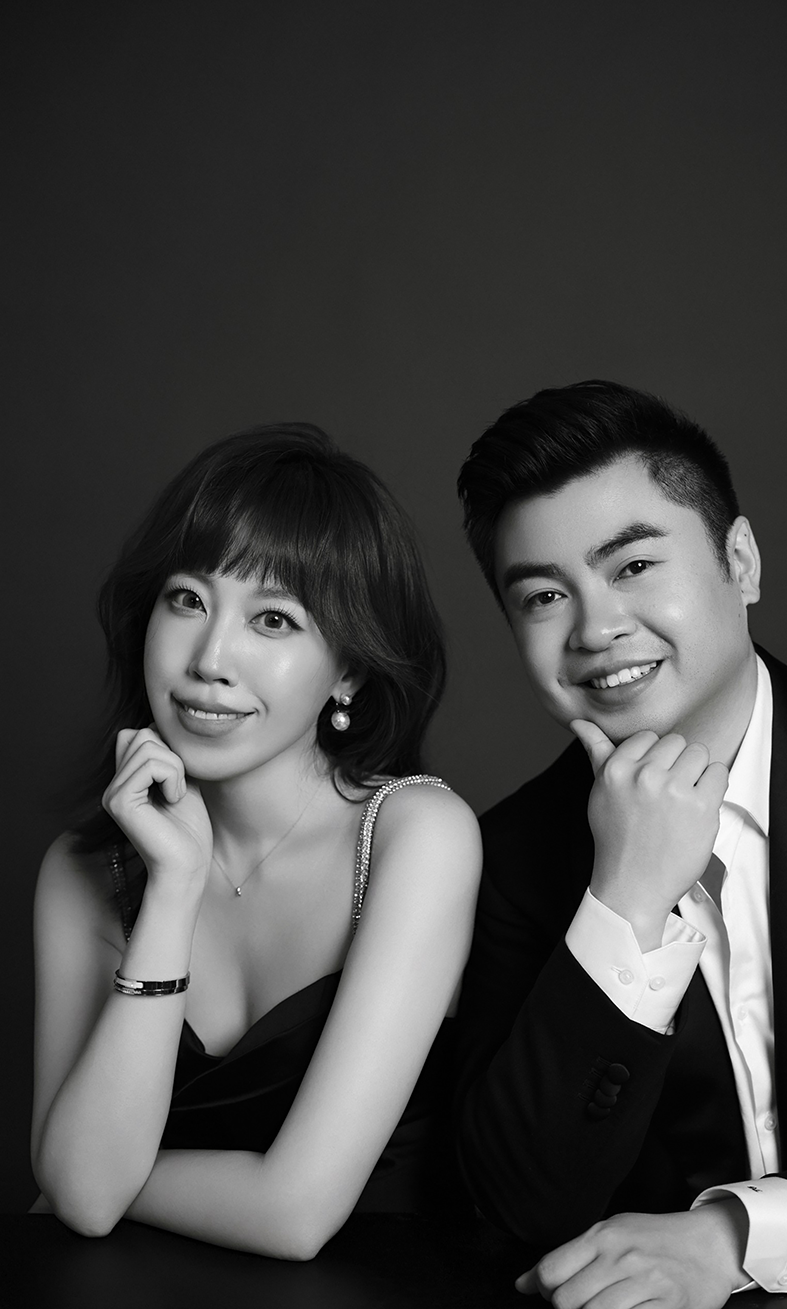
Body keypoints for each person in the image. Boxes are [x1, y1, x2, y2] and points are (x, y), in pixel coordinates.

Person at [454, 380, 787, 1307]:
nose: (596, 629)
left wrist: (732, 1239)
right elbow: (515, 1205)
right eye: (544, 595)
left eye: (632, 566)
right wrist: (624, 902)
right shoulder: (505, 857)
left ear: (740, 561)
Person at [32, 423, 480, 1259]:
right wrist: (172, 890)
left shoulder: (415, 835)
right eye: (187, 600)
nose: (210, 658)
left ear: (349, 671)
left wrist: (95, 1177)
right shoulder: (83, 870)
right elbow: (82, 1203)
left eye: (273, 619)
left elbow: (295, 1215)